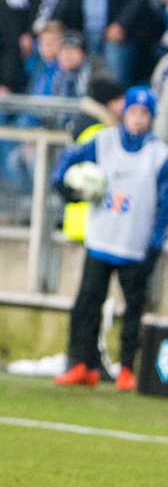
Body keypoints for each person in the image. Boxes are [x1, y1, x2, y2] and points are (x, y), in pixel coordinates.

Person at [51, 87, 168, 391]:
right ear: (124, 113)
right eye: (134, 112)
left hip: (134, 246)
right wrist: (64, 187)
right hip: (101, 239)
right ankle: (81, 363)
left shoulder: (159, 155)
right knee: (87, 303)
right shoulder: (104, 141)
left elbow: (164, 204)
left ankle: (127, 368)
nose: (138, 119)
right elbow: (69, 157)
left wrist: (155, 243)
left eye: (145, 114)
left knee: (134, 308)